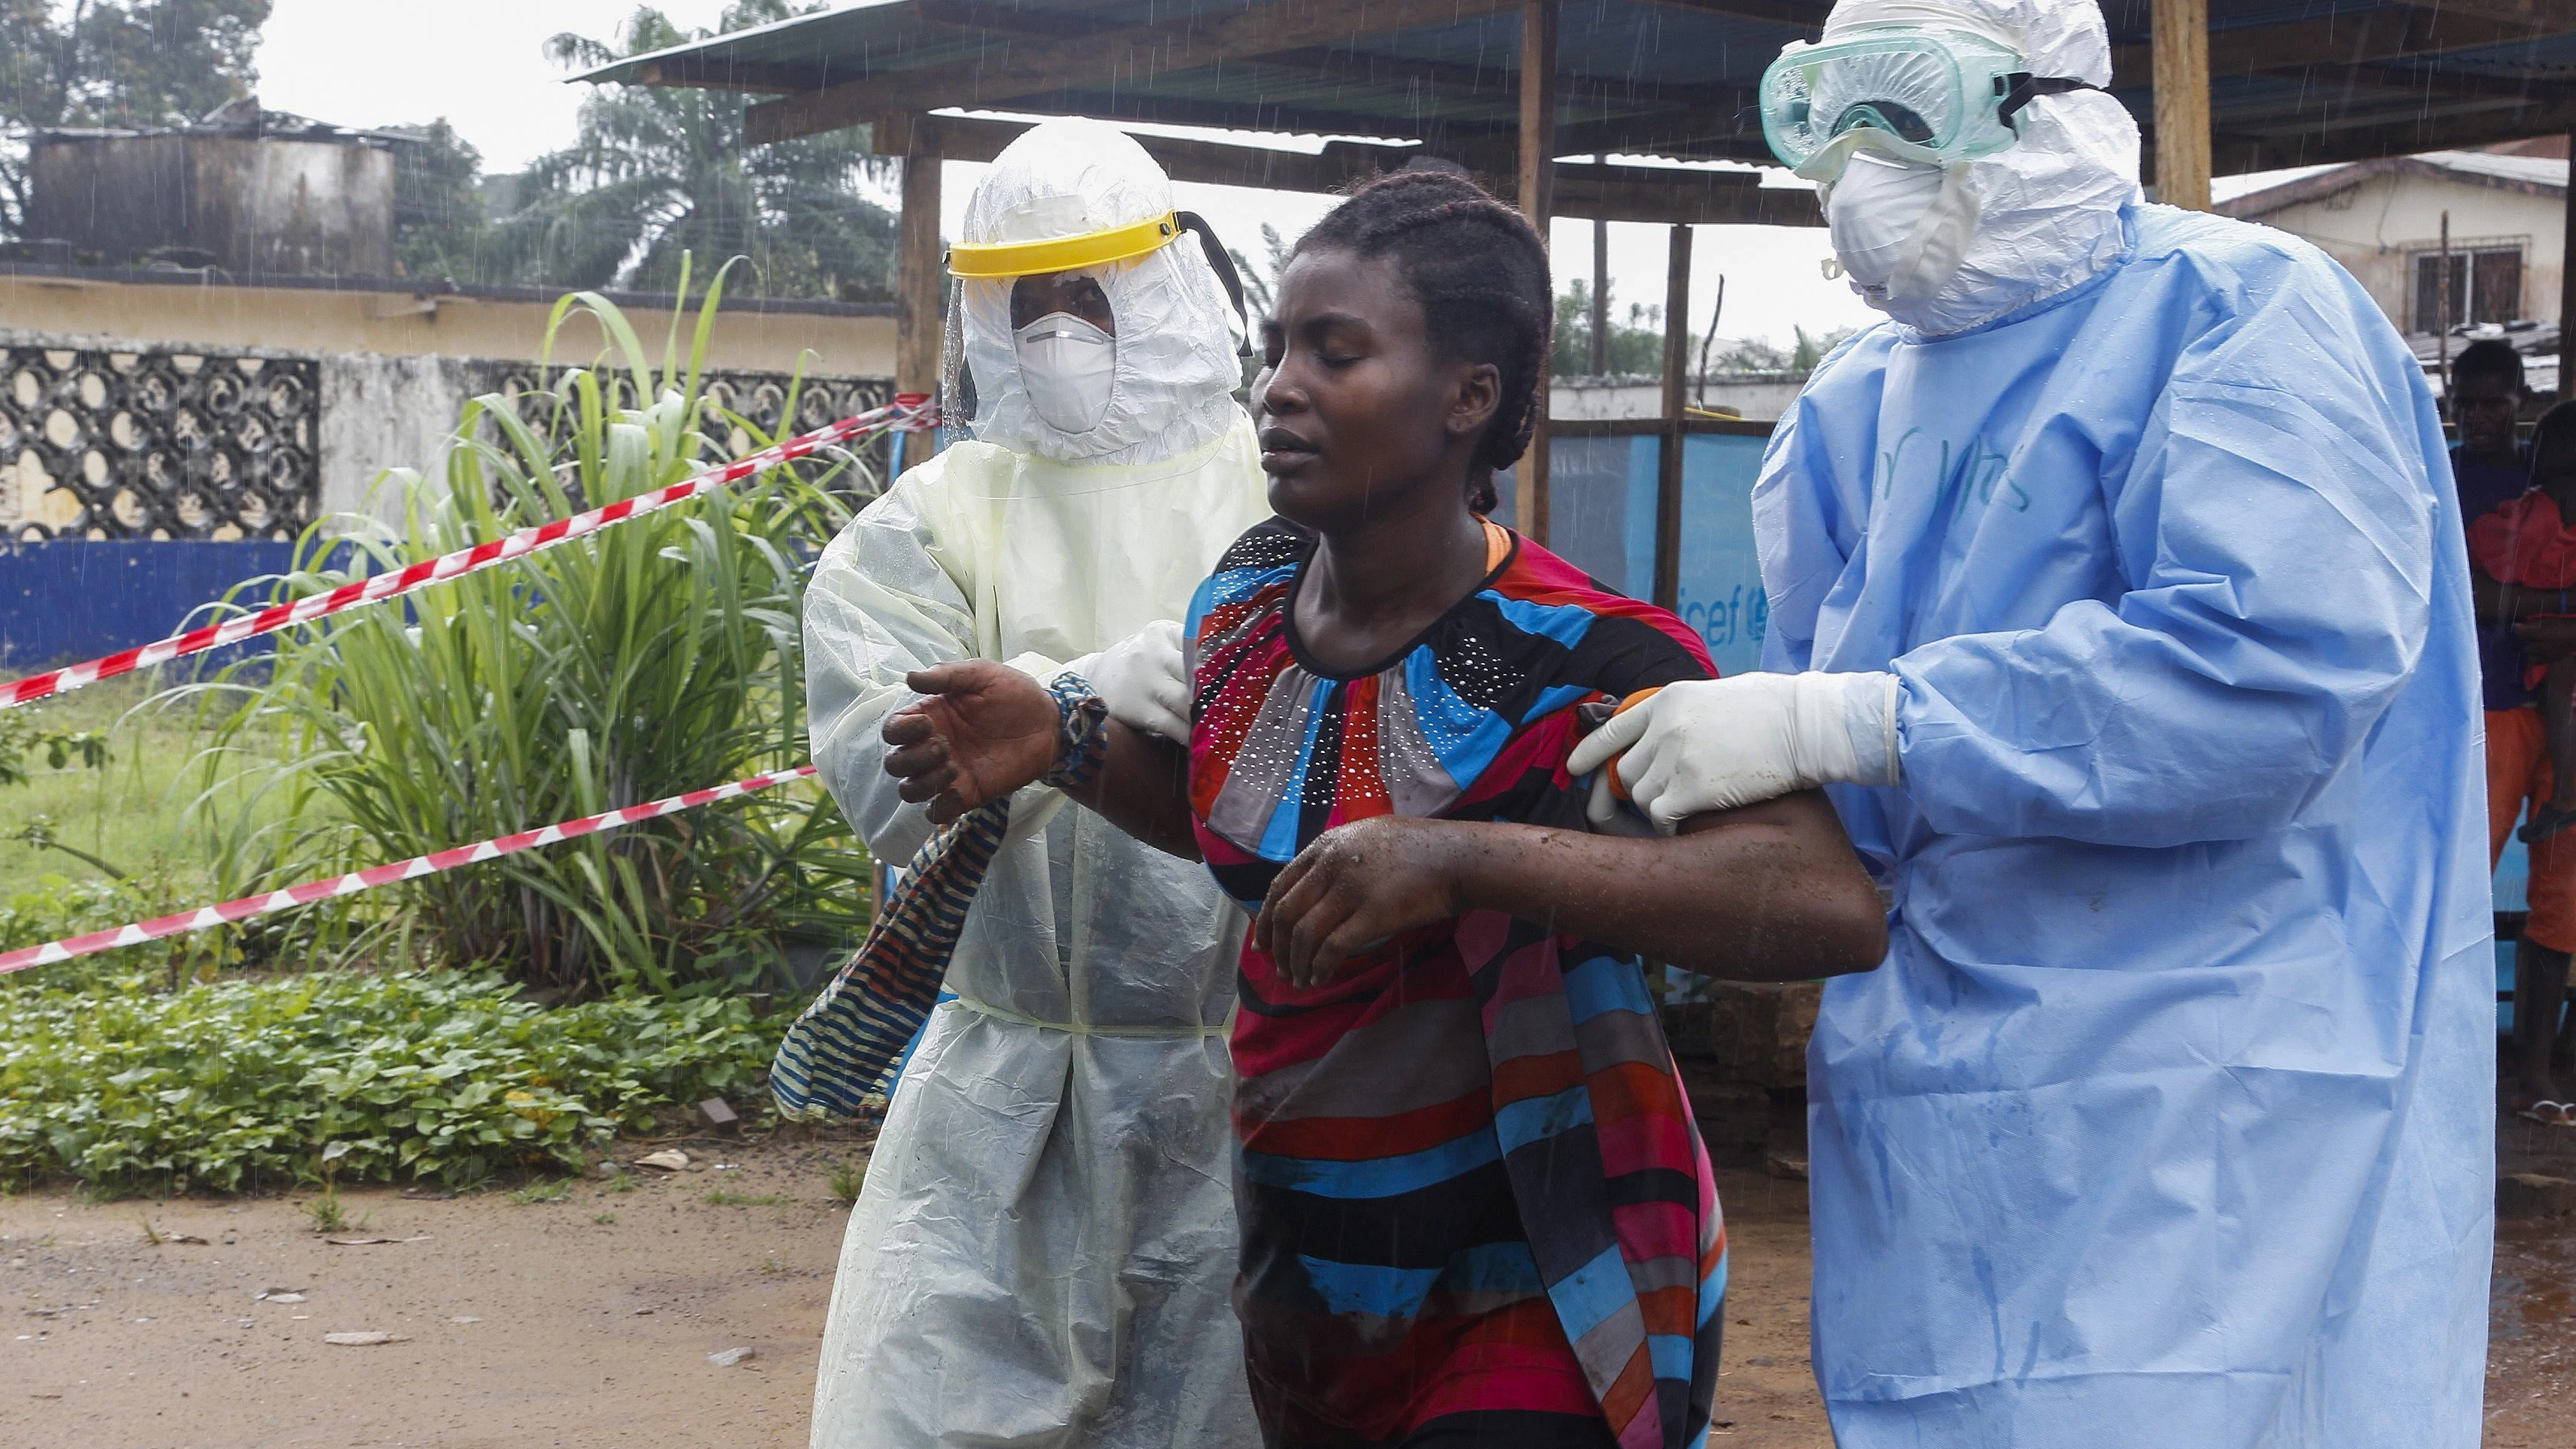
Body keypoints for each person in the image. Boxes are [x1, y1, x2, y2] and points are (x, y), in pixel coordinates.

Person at [1571, 0, 2494, 1444]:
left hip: (2213, 1083)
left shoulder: (2241, 309)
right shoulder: (1850, 403)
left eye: (1904, 109)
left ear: (2041, 103)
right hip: (1931, 1089)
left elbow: (2268, 680)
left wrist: (1857, 717)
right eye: (1830, 116)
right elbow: (1834, 794)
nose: (1857, 164)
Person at [878, 168, 1891, 1449]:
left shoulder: (1583, 654)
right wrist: (1062, 744)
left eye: (1335, 351)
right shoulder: (1241, 610)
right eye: (1278, 347)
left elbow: (1823, 903)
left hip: (1534, 1253)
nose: (1279, 386)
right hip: (1312, 1270)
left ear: (1468, 397)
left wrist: (1464, 858)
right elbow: (1269, 845)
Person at [797, 118, 1271, 1448]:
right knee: (920, 1404)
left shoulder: (1278, 492)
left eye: (1091, 292)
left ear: (1164, 283)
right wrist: (1084, 695)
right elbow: (894, 772)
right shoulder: (932, 518)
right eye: (1030, 301)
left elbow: (1314, 734)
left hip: (1226, 1089)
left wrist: (1049, 714)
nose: (1061, 330)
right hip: (997, 1090)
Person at [2472, 400, 2576, 1121]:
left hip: (2561, 709)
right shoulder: (2514, 515)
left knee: (2564, 902)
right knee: (2462, 876)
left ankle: (2536, 1073)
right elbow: (2475, 592)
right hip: (2504, 702)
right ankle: (2457, 1049)